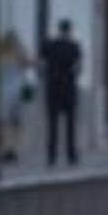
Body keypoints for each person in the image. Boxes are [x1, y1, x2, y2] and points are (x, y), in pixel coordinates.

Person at [39, 19, 81, 166]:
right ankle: (71, 156)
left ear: (59, 29)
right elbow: (77, 68)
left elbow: (42, 65)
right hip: (69, 89)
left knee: (53, 125)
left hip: (53, 88)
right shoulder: (74, 47)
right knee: (70, 125)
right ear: (69, 31)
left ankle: (51, 156)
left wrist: (49, 75)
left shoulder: (49, 46)